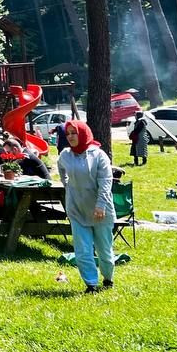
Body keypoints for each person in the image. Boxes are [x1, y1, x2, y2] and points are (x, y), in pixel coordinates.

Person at [56, 120, 116, 293]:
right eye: (67, 134)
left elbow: (106, 181)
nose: (70, 137)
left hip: (100, 210)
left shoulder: (98, 155)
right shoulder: (65, 154)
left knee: (104, 250)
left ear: (83, 133)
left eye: (74, 132)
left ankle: (108, 278)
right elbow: (60, 168)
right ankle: (91, 284)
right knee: (82, 250)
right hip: (76, 208)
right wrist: (66, 185)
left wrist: (100, 205)